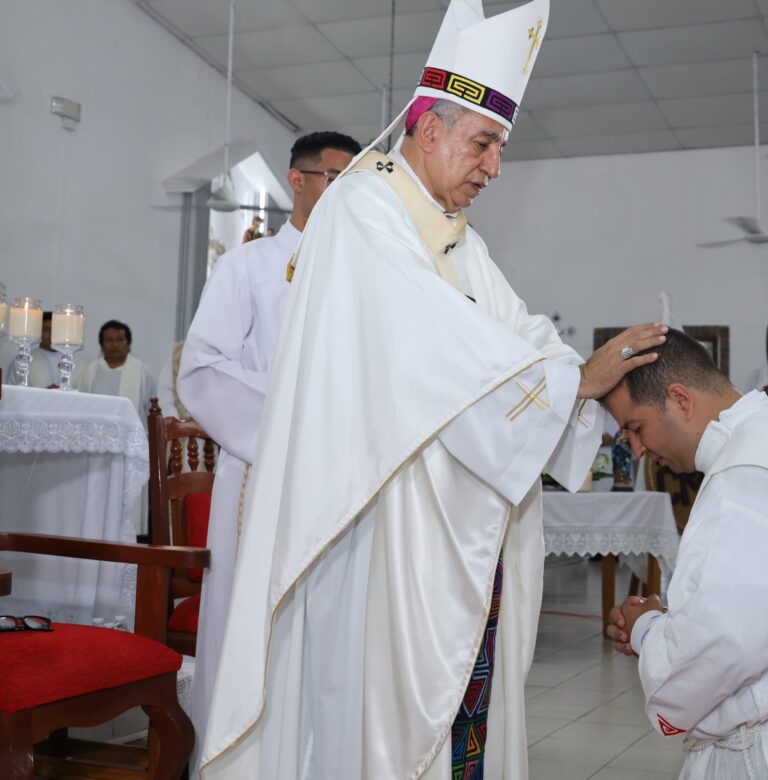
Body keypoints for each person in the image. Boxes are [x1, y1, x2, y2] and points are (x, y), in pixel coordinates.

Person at [199, 2, 665, 777]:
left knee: (459, 724)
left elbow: (521, 333)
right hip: (376, 537)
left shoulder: (460, 239)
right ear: (429, 128)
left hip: (451, 532)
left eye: (500, 148)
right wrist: (571, 382)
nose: (493, 168)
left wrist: (590, 382)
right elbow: (431, 343)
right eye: (484, 144)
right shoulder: (361, 208)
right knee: (376, 726)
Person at [602, 329, 768, 779]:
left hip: (767, 758)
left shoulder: (744, 476)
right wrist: (679, 617)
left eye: (635, 427)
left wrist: (647, 630)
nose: (637, 448)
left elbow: (724, 642)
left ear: (680, 399)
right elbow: (758, 605)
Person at [176, 130, 361, 763]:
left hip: (343, 480)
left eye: (354, 180)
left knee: (334, 630)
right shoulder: (248, 267)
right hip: (262, 472)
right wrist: (295, 416)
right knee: (252, 622)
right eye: (335, 177)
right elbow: (201, 370)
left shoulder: (368, 277)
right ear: (298, 180)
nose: (345, 191)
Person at [76, 320, 157, 423]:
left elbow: (152, 408)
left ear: (128, 344)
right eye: (109, 340)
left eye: (120, 340)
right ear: (101, 345)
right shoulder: (89, 371)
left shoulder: (142, 371)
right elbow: (81, 406)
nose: (114, 345)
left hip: (130, 434)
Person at [4, 311, 60, 388]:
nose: (52, 334)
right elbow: (10, 391)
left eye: (56, 330)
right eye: (47, 329)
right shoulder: (22, 361)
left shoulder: (78, 366)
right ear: (38, 332)